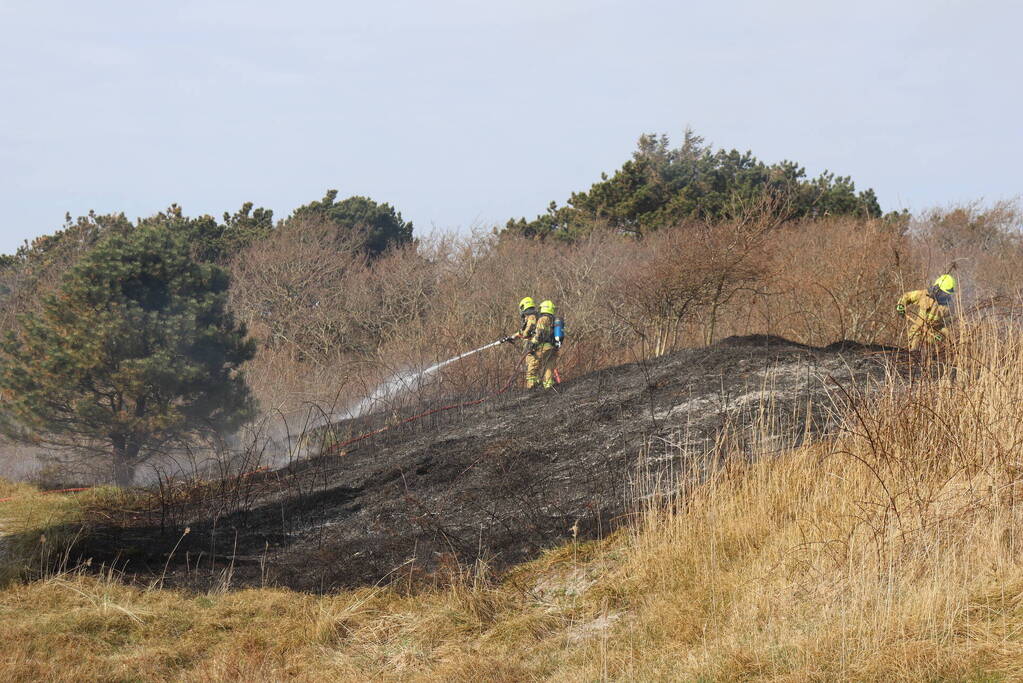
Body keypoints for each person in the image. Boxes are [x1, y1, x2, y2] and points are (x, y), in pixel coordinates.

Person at [897, 274, 956, 351]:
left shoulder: (949, 306)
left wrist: (941, 335)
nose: (946, 295)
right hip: (916, 333)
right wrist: (901, 306)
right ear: (937, 288)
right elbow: (907, 296)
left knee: (926, 356)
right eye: (944, 293)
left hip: (931, 338)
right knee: (912, 352)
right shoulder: (925, 295)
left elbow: (946, 326)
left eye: (947, 294)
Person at [504, 297, 540, 388]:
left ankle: (532, 388)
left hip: (533, 348)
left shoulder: (531, 316)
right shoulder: (530, 317)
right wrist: (513, 337)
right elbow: (522, 331)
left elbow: (527, 331)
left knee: (531, 370)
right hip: (532, 347)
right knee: (534, 368)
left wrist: (524, 334)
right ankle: (538, 386)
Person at [529, 300, 559, 390]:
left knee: (532, 366)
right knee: (549, 367)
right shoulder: (554, 320)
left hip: (544, 347)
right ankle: (548, 385)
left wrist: (533, 343)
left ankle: (531, 387)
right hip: (553, 348)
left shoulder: (543, 319)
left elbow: (539, 332)